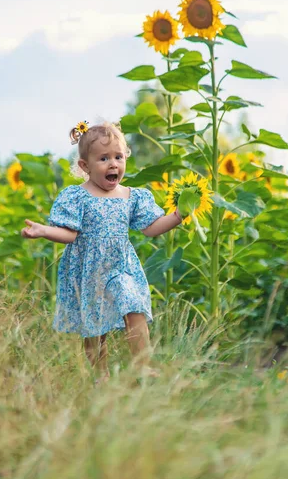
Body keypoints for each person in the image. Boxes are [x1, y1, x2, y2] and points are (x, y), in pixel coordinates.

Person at [21, 121, 182, 384]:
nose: (113, 164)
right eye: (103, 158)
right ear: (85, 166)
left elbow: (151, 228)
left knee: (134, 305)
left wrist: (178, 215)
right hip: (90, 271)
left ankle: (142, 365)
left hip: (121, 267)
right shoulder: (78, 197)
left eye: (118, 157)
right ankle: (100, 374)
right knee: (94, 327)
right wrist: (43, 231)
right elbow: (69, 234)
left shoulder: (131, 196)